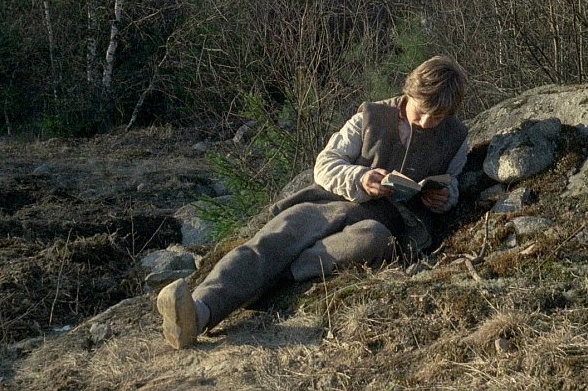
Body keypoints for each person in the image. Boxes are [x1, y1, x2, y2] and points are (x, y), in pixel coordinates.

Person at [157, 56, 470, 349]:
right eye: (421, 110)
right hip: (331, 203)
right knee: (278, 237)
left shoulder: (455, 138)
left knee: (369, 240)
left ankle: (262, 286)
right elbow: (326, 164)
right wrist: (361, 178)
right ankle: (199, 311)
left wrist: (443, 198)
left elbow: (451, 182)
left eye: (437, 117)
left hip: (387, 223)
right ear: (409, 92)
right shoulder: (371, 116)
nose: (426, 121)